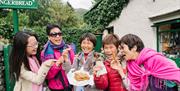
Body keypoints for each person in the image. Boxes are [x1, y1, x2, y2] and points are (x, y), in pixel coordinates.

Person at [113, 34, 180, 91]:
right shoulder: (131, 65)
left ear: (134, 48)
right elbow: (130, 87)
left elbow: (176, 74)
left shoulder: (155, 59)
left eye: (123, 48)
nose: (121, 51)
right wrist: (120, 71)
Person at [41, 24, 75, 91]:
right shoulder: (45, 53)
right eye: (54, 34)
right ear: (48, 37)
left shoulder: (68, 48)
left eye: (59, 34)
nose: (58, 36)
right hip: (56, 88)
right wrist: (58, 63)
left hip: (70, 85)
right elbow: (47, 75)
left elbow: (74, 67)